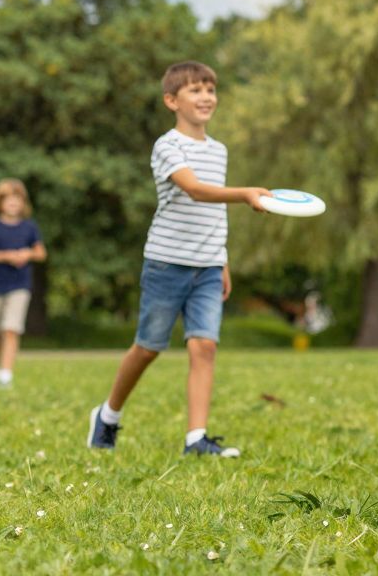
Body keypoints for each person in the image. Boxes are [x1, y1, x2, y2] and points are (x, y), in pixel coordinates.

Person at [87, 61, 267, 457]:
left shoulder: (218, 150)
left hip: (207, 266)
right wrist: (246, 194)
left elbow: (212, 213)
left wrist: (222, 261)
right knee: (148, 347)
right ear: (172, 100)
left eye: (210, 89)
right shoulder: (167, 146)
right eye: (195, 90)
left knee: (204, 347)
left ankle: (196, 439)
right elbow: (196, 191)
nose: (206, 97)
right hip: (167, 264)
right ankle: (108, 415)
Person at [0, 178, 45, 387]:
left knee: (11, 329)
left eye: (17, 201)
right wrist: (7, 256)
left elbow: (41, 253)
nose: (13, 205)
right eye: (9, 200)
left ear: (23, 204)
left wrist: (27, 253)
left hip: (20, 286)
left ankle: (7, 374)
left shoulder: (29, 227)